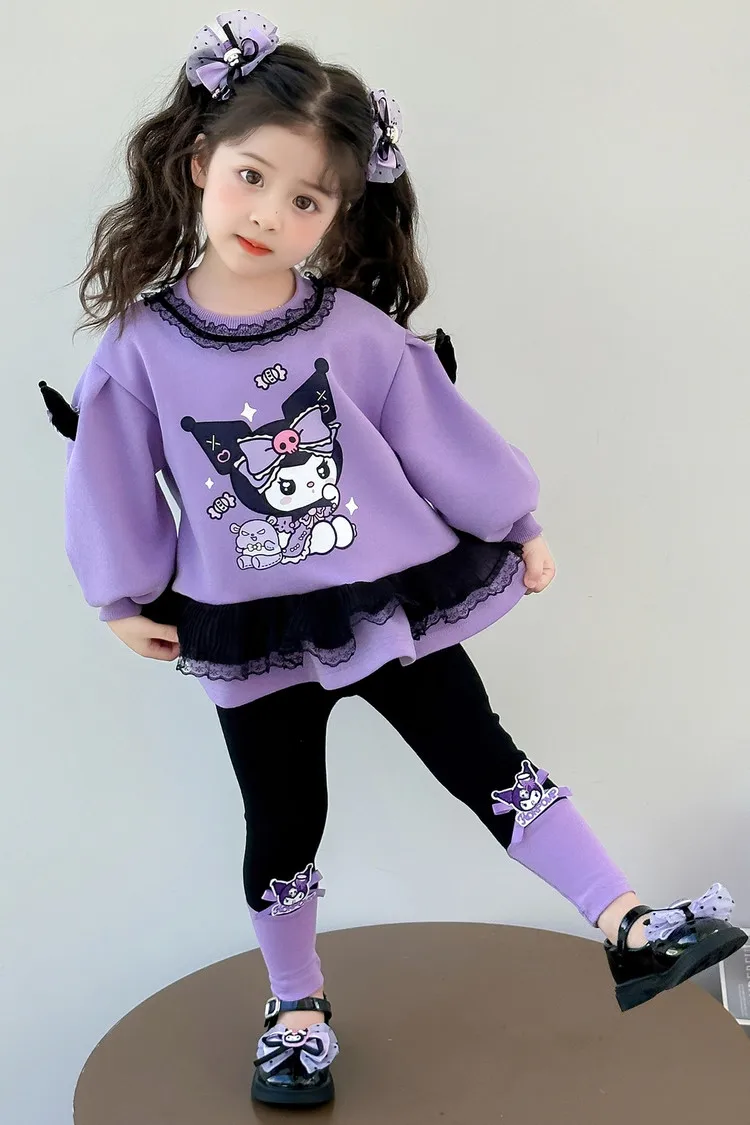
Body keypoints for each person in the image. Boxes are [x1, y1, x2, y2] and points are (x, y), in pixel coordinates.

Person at [41, 9, 745, 1109]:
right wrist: (119, 597)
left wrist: (518, 519)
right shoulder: (141, 348)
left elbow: (439, 436)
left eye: (307, 200)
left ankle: (627, 923)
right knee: (284, 822)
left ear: (338, 215)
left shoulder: (355, 333)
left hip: (390, 606)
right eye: (252, 177)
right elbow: (112, 480)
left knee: (487, 760)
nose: (270, 215)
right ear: (199, 163)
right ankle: (296, 1004)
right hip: (252, 630)